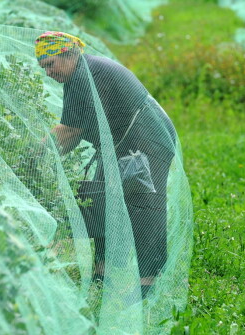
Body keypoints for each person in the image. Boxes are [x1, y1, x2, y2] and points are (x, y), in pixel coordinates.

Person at [35, 31, 177, 298]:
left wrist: (36, 156)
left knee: (144, 204)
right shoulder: (78, 75)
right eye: (43, 68)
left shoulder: (91, 74)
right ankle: (104, 272)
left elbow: (71, 132)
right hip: (121, 144)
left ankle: (146, 281)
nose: (48, 72)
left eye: (50, 64)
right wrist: (48, 156)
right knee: (101, 198)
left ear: (67, 54)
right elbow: (72, 133)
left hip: (148, 139)